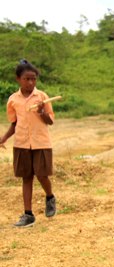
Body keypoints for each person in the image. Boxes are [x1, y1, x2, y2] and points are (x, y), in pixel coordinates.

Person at [0, 59, 57, 227]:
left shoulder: (42, 97)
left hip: (41, 143)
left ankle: (50, 197)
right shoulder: (13, 100)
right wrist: (4, 138)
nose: (31, 82)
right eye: (27, 79)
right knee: (26, 178)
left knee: (42, 175)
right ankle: (28, 214)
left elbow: (50, 120)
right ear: (18, 79)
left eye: (34, 79)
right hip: (21, 144)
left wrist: (41, 112)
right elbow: (14, 123)